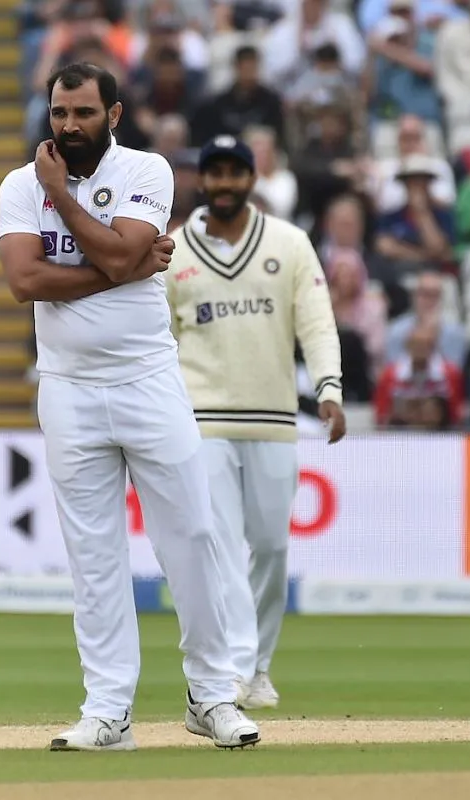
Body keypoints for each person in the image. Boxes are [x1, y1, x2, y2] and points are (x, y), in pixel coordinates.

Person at [0, 62, 259, 752]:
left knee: (194, 538)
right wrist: (122, 262)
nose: (69, 126)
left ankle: (212, 696)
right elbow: (25, 280)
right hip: (67, 387)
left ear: (113, 114)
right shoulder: (19, 185)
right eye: (59, 113)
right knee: (94, 556)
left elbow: (118, 256)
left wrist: (73, 208)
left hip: (147, 378)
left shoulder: (147, 171)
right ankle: (107, 710)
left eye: (83, 113)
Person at [166, 135, 345, 710]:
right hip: (201, 418)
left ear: (251, 180)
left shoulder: (289, 244)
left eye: (233, 173)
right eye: (213, 173)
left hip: (272, 417)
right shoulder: (173, 251)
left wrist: (329, 387)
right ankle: (236, 670)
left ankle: (258, 665)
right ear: (202, 180)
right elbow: (156, 340)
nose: (223, 183)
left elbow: (315, 323)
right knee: (217, 544)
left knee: (268, 547)